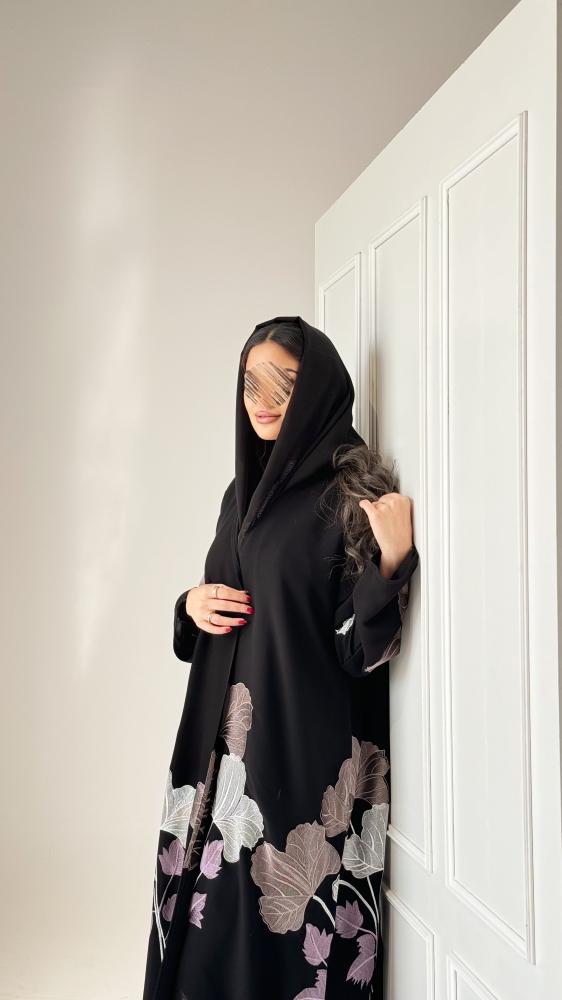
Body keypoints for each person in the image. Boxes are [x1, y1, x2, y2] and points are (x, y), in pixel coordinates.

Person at [142, 315, 420, 1000]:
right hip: (223, 761)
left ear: (318, 392)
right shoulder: (241, 493)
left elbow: (359, 648)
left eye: (284, 386)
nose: (262, 402)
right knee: (206, 940)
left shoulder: (351, 496)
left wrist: (391, 560)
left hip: (300, 757)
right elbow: (227, 601)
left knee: (285, 942)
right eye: (250, 384)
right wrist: (190, 604)